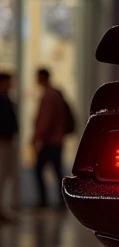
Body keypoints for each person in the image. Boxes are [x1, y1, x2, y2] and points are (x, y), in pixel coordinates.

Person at [31, 68, 72, 209]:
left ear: (41, 78)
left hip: (49, 141)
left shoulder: (48, 96)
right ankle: (62, 201)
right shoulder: (56, 94)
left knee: (39, 170)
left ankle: (44, 201)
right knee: (57, 171)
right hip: (57, 140)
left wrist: (37, 137)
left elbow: (46, 121)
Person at [0, 72, 16, 222]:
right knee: (2, 175)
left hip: (8, 141)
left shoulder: (7, 99)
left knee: (6, 175)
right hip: (3, 142)